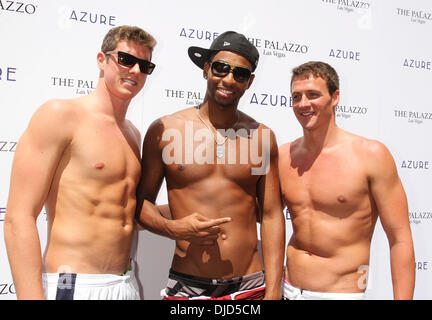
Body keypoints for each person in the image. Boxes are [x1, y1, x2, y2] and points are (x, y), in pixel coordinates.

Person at [4, 25, 157, 300]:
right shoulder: (60, 115)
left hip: (126, 285)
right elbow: (18, 217)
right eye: (126, 59)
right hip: (74, 285)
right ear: (102, 59)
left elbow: (124, 213)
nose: (135, 70)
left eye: (145, 65)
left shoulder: (133, 134)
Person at [135, 31, 285, 300]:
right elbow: (141, 203)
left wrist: (274, 291)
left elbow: (273, 215)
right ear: (206, 70)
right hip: (187, 286)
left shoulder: (262, 136)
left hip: (249, 286)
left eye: (240, 74)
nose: (228, 79)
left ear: (249, 82)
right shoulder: (165, 129)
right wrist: (172, 229)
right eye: (221, 68)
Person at [279, 61, 415, 300]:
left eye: (313, 95)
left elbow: (400, 238)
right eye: (296, 96)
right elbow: (261, 216)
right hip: (287, 289)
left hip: (340, 294)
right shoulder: (283, 156)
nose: (303, 104)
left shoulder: (371, 155)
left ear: (335, 97)